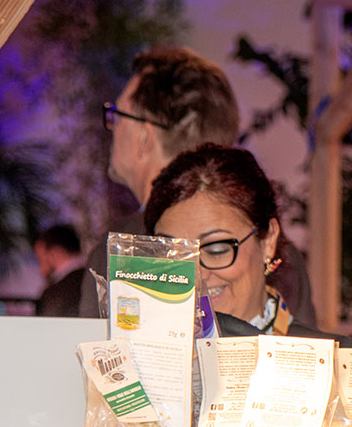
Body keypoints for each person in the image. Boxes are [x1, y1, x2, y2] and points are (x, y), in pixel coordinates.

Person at [79, 46, 316, 325]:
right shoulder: (276, 252)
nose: (200, 272)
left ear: (144, 136)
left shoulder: (121, 253)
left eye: (117, 116)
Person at [143, 144, 337, 342]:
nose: (194, 275)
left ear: (268, 241)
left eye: (216, 250)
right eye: (173, 253)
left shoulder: (324, 358)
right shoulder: (135, 351)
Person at [33, 223, 86, 317]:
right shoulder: (96, 279)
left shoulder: (54, 294)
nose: (41, 269)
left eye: (41, 259)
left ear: (55, 252)